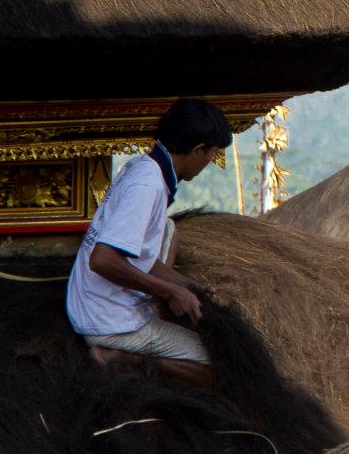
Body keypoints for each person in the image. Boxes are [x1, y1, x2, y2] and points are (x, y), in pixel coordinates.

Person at [67, 97, 232, 388]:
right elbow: (102, 259)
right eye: (211, 155)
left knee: (168, 230)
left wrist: (185, 284)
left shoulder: (144, 165)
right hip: (108, 320)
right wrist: (169, 293)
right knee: (217, 365)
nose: (209, 163)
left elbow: (140, 254)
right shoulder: (148, 186)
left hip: (92, 303)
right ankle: (123, 357)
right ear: (197, 150)